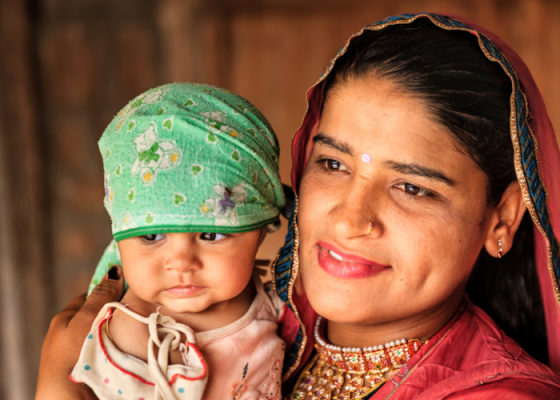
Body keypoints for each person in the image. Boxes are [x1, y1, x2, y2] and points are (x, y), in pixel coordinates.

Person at [36, 13, 560, 400]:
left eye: (413, 188)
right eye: (333, 165)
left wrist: (59, 388)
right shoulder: (253, 315)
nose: (350, 218)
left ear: (502, 218)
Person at [66, 83, 286, 400]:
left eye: (210, 235)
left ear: (260, 228)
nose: (181, 262)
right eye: (152, 236)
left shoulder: (272, 292)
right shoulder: (136, 334)